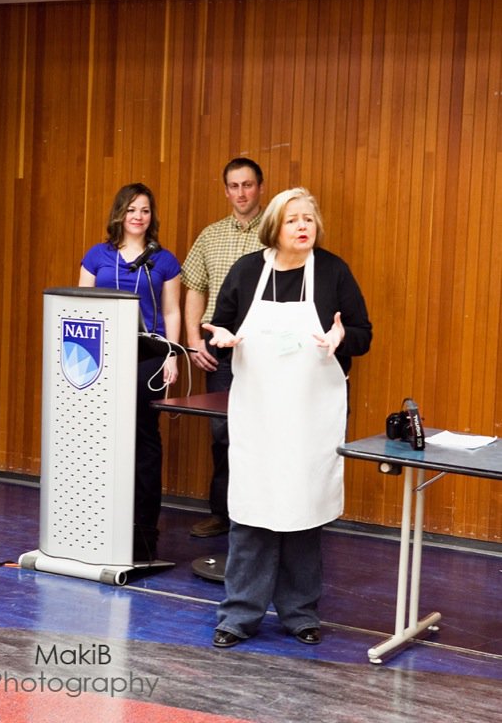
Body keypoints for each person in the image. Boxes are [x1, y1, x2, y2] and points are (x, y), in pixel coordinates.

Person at [203, 187, 372, 647]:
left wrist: (341, 338)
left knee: (303, 511)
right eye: (293, 219)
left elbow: (363, 333)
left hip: (310, 417)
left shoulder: (333, 271)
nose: (302, 227)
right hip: (258, 414)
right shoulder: (246, 271)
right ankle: (238, 615)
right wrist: (221, 339)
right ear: (274, 227)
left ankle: (300, 613)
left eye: (308, 220)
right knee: (252, 512)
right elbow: (219, 326)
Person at [79, 182, 181, 563]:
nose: (139, 216)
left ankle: (144, 532)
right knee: (102, 437)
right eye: (132, 209)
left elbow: (171, 311)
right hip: (102, 357)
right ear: (119, 213)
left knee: (142, 436)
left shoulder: (164, 261)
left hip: (148, 355)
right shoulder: (97, 256)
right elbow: (80, 306)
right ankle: (99, 523)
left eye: (145, 210)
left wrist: (172, 354)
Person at [181, 157, 265, 538]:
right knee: (222, 432)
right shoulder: (210, 236)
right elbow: (195, 289)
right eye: (234, 186)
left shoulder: (276, 233)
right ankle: (222, 512)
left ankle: (259, 516)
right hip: (219, 350)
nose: (241, 193)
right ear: (226, 191)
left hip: (264, 351)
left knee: (263, 431)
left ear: (260, 188)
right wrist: (193, 341)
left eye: (248, 185)